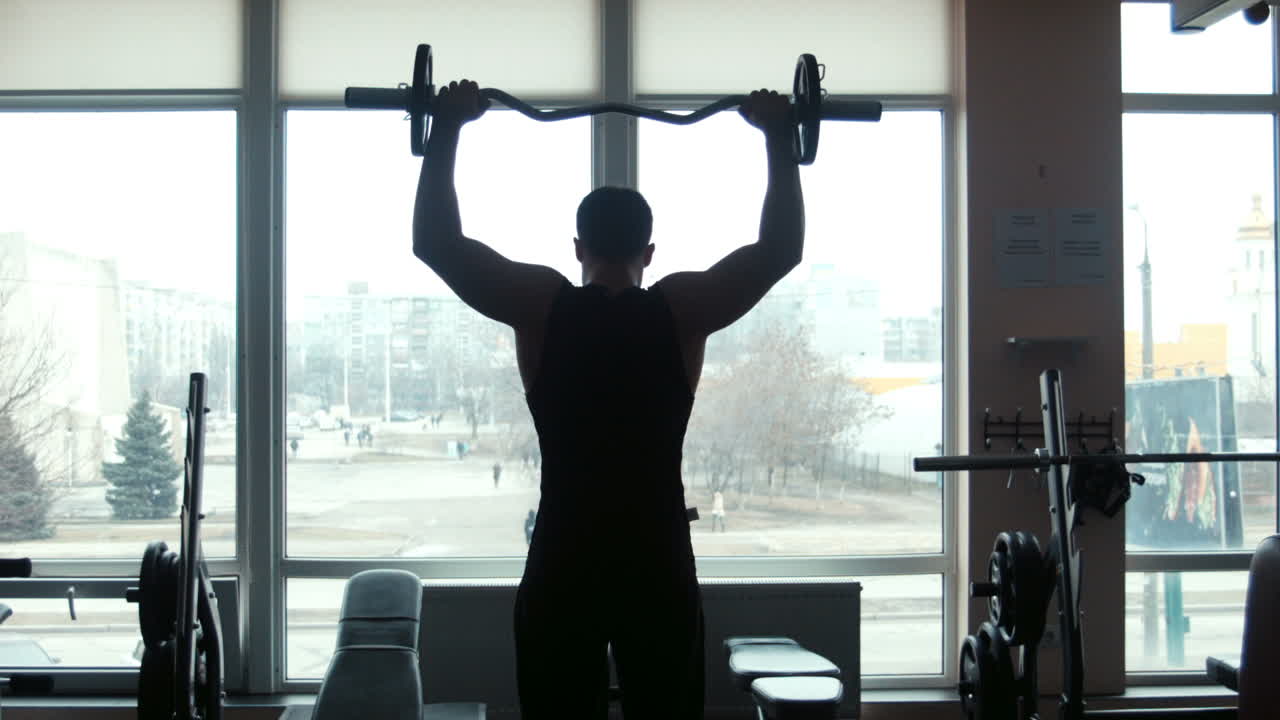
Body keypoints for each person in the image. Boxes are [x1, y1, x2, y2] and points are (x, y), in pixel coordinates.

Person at [414, 79, 803, 720]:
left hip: (567, 552)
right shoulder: (681, 310)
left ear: (577, 249)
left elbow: (436, 243)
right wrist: (779, 137)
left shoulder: (541, 304)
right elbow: (779, 251)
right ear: (649, 252)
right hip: (655, 554)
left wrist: (450, 127)